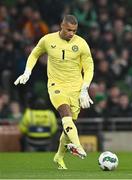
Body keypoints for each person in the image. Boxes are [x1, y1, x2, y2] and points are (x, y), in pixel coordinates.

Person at [14, 15, 94, 169]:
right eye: (69, 30)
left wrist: (85, 89)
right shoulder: (48, 40)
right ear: (61, 26)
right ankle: (77, 146)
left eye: (74, 31)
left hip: (76, 88)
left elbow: (89, 67)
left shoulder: (82, 44)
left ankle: (59, 156)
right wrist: (27, 72)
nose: (72, 33)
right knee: (65, 114)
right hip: (56, 85)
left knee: (69, 124)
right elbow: (35, 53)